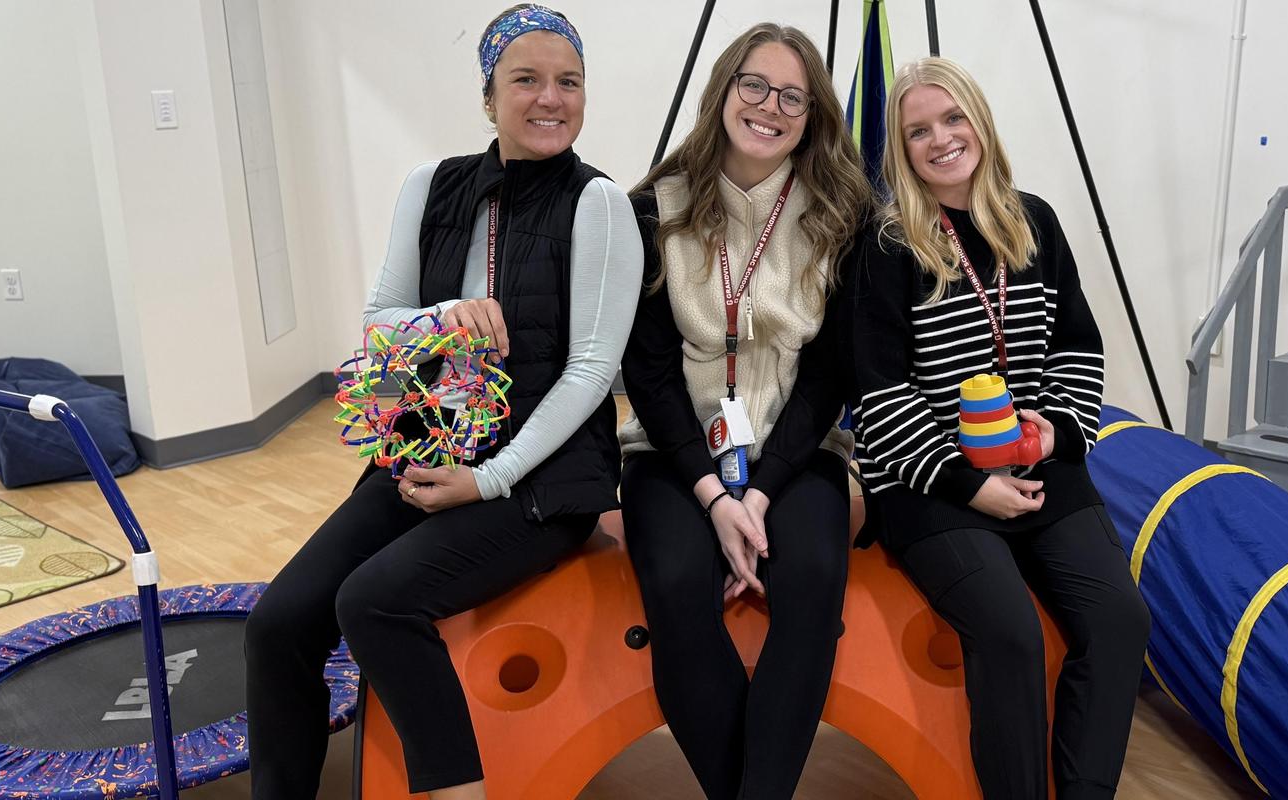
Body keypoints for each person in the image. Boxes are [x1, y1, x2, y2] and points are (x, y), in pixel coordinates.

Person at [242, 6, 639, 798]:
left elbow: (593, 373)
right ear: (488, 97)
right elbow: (379, 322)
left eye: (568, 82)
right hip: (424, 455)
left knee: (373, 603)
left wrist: (489, 480)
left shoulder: (599, 203)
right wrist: (444, 316)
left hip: (540, 483)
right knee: (276, 625)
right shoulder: (430, 186)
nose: (550, 98)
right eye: (526, 80)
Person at [844, 56, 1152, 800]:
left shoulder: (1033, 220)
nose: (941, 139)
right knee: (1010, 633)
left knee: (1120, 621)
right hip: (930, 482)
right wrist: (968, 485)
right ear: (901, 150)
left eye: (953, 118)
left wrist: (1059, 435)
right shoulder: (887, 245)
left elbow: (1077, 344)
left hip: (1038, 465)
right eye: (918, 131)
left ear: (980, 123)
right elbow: (878, 395)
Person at [616, 21, 872, 800]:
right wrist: (713, 496)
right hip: (675, 454)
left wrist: (757, 496)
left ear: (813, 114)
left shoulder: (843, 213)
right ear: (724, 90)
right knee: (674, 581)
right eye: (755, 85)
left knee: (815, 577)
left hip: (797, 452)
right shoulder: (652, 208)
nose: (770, 107)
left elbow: (828, 376)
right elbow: (649, 374)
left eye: (793, 96)